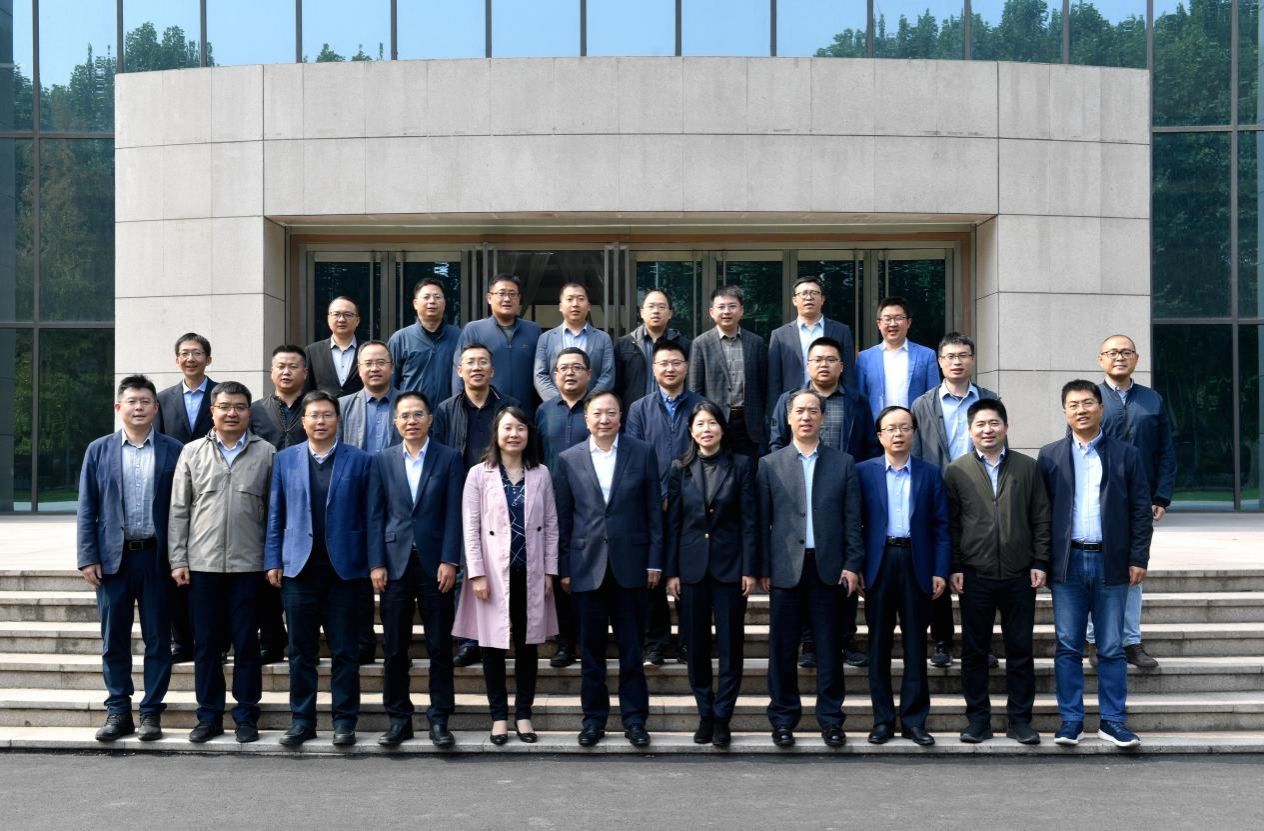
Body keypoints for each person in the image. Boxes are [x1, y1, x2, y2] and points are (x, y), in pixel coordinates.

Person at [1038, 380, 1152, 749]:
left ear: (1101, 408)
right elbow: (1041, 515)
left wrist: (1138, 557)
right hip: (1067, 564)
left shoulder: (1126, 455)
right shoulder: (1050, 456)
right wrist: (1041, 561)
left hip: (1111, 562)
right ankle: (1071, 721)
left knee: (1112, 646)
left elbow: (1141, 511)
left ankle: (1113, 721)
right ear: (1065, 412)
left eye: (1088, 403)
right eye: (1073, 405)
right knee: (1068, 646)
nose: (1081, 410)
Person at [553, 391, 663, 748]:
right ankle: (593, 721)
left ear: (620, 417)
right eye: (597, 413)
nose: (604, 419)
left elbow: (653, 512)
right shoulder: (568, 459)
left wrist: (654, 560)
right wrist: (565, 567)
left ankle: (635, 721)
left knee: (632, 651)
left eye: (611, 413)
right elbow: (563, 519)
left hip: (631, 566)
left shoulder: (641, 452)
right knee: (591, 652)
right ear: (586, 419)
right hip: (586, 568)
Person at [168, 381, 276, 744]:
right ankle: (209, 716)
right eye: (225, 406)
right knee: (206, 645)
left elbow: (274, 513)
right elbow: (179, 510)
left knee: (247, 644)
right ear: (212, 411)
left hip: (249, 566)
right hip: (203, 566)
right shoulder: (192, 452)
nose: (232, 413)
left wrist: (271, 560)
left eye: (240, 407)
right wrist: (178, 559)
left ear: (249, 412)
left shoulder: (267, 453)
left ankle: (246, 716)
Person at [76, 375, 182, 742]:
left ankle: (151, 712)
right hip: (112, 561)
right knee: (114, 640)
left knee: (158, 640)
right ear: (119, 407)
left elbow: (183, 508)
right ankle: (118, 711)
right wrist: (87, 556)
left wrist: (179, 558)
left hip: (156, 558)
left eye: (145, 401)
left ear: (156, 407)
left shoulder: (174, 450)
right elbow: (86, 507)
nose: (139, 407)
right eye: (132, 401)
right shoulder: (98, 450)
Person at [264, 391, 373, 748]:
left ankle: (344, 721)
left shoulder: (360, 460)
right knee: (300, 651)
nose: (320, 421)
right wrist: (273, 559)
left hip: (345, 570)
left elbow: (371, 516)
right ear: (304, 421)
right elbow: (276, 514)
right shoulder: (286, 460)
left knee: (345, 651)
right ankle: (302, 721)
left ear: (337, 420)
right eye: (314, 415)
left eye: (327, 414)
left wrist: (373, 564)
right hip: (299, 570)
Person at [758, 389, 864, 749]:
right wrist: (762, 567)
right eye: (799, 411)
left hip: (828, 568)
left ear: (823, 418)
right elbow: (760, 522)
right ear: (789, 418)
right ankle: (783, 720)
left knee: (830, 648)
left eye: (813, 411)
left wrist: (852, 564)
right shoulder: (770, 464)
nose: (806, 417)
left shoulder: (843, 463)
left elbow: (853, 520)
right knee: (783, 650)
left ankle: (831, 720)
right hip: (785, 569)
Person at [768, 336, 876, 671]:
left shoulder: (856, 401)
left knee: (837, 574)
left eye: (831, 359)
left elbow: (869, 445)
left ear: (842, 366)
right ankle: (809, 644)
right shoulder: (790, 400)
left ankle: (845, 640)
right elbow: (776, 441)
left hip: (842, 488)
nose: (824, 365)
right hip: (797, 490)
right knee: (802, 576)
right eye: (818, 359)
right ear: (808, 365)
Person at [946, 399, 1051, 745]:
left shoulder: (1027, 467)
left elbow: (1041, 517)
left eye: (994, 423)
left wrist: (1040, 561)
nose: (987, 430)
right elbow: (952, 524)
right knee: (974, 652)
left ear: (1006, 427)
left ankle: (1020, 721)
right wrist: (955, 566)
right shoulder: (956, 471)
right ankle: (978, 721)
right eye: (980, 424)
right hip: (975, 574)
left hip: (1020, 574)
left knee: (1020, 650)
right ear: (970, 430)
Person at [453, 407, 559, 745]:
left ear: (529, 434)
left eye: (520, 428)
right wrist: (476, 573)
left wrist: (550, 570)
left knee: (528, 647)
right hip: (492, 575)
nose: (514, 434)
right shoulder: (479, 474)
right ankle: (499, 717)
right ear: (497, 433)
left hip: (531, 571)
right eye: (508, 428)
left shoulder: (541, 473)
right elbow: (470, 527)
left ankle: (524, 715)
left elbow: (552, 525)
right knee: (492, 647)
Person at [367, 391, 466, 749]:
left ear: (430, 419)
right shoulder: (382, 460)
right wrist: (376, 562)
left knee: (439, 646)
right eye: (405, 415)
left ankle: (439, 718)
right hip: (394, 565)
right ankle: (399, 719)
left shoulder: (449, 458)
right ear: (396, 422)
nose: (411, 421)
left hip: (435, 564)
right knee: (395, 647)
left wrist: (450, 560)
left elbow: (455, 512)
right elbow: (375, 515)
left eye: (418, 414)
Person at [665, 401, 758, 748]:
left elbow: (750, 521)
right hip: (691, 570)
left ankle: (723, 716)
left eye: (712, 423)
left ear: (722, 428)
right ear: (691, 431)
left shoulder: (742, 465)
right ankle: (705, 712)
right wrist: (671, 572)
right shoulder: (679, 468)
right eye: (700, 424)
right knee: (696, 645)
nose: (706, 429)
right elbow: (673, 524)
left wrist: (750, 568)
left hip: (730, 568)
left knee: (731, 646)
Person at [857, 405, 951, 747]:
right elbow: (854, 524)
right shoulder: (863, 472)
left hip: (917, 562)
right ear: (879, 435)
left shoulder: (930, 473)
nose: (898, 434)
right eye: (891, 428)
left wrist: (940, 570)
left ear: (914, 432)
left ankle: (914, 721)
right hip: (879, 565)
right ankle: (882, 721)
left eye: (904, 428)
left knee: (915, 645)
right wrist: (858, 566)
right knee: (878, 646)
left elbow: (942, 527)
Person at [1085, 334, 1176, 670]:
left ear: (1136, 358)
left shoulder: (1152, 399)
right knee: (1096, 571)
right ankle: (1095, 640)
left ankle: (1131, 641)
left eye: (1126, 352)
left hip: (1139, 502)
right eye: (1112, 352)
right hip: (1097, 501)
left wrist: (1161, 496)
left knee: (1135, 571)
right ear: (1100, 359)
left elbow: (1166, 451)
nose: (1119, 357)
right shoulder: (1091, 399)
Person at [909, 333, 1000, 670]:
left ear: (973, 359)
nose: (956, 362)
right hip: (937, 496)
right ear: (939, 362)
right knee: (938, 567)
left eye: (963, 355)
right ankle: (943, 641)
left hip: (979, 497)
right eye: (949, 356)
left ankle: (980, 643)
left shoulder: (989, 399)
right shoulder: (923, 404)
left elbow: (999, 446)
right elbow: (916, 455)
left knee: (977, 572)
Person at [435, 342, 519, 669]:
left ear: (492, 370)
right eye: (470, 362)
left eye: (483, 362)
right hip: (461, 497)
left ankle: (504, 632)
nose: (476, 368)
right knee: (465, 569)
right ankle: (470, 640)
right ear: (460, 371)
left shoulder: (509, 407)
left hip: (503, 496)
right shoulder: (446, 410)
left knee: (503, 568)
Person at [627, 339, 707, 666]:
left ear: (686, 367)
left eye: (676, 363)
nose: (670, 369)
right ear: (653, 368)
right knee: (653, 575)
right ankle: (656, 643)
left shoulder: (701, 406)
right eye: (663, 363)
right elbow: (634, 458)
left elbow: (707, 455)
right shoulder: (639, 409)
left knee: (689, 574)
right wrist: (657, 496)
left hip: (693, 505)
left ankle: (689, 642)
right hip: (651, 505)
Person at [154, 332, 217, 664]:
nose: (190, 359)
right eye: (185, 353)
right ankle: (181, 639)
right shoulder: (162, 400)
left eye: (197, 353)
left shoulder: (222, 395)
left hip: (213, 490)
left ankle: (217, 640)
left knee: (211, 570)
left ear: (209, 359)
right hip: (173, 491)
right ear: (176, 359)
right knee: (175, 566)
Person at [338, 339, 400, 666]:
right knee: (358, 573)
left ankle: (395, 643)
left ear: (392, 367)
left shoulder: (407, 403)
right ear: (358, 369)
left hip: (399, 498)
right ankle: (363, 640)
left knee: (397, 572)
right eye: (368, 363)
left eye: (380, 362)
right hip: (354, 498)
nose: (374, 369)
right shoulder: (342, 406)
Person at [249, 345, 308, 664]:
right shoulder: (255, 410)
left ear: (305, 373)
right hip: (263, 500)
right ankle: (271, 639)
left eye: (293, 366)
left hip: (305, 502)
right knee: (267, 572)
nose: (286, 371)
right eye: (280, 366)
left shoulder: (316, 406)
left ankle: (306, 640)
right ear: (271, 372)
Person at [533, 346, 592, 668]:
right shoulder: (543, 411)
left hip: (591, 504)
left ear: (589, 374)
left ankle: (589, 639)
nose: (570, 372)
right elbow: (536, 457)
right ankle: (564, 642)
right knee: (558, 573)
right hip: (553, 503)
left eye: (576, 367)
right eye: (563, 368)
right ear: (554, 375)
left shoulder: (597, 410)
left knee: (588, 570)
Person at [687, 285, 769, 457]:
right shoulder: (701, 344)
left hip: (749, 424)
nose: (726, 311)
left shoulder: (756, 343)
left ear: (741, 310)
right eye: (721, 307)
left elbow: (763, 386)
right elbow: (695, 390)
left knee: (748, 468)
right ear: (711, 312)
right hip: (714, 423)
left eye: (732, 306)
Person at [454, 274, 542, 416]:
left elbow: (541, 373)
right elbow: (459, 372)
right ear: (489, 298)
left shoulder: (533, 330)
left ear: (519, 299)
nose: (507, 299)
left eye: (512, 294)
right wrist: (460, 409)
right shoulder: (474, 330)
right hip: (485, 413)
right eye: (501, 294)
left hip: (525, 413)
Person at [767, 275, 857, 399]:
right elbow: (774, 381)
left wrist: (849, 403)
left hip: (833, 400)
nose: (809, 297)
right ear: (794, 300)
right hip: (793, 404)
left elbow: (848, 374)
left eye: (814, 293)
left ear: (822, 299)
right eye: (803, 293)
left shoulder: (841, 331)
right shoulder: (780, 335)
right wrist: (776, 408)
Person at [855, 296, 940, 420]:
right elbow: (859, 399)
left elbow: (934, 399)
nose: (893, 324)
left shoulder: (927, 355)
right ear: (879, 324)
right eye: (887, 319)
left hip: (915, 427)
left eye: (898, 318)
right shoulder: (864, 358)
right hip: (877, 428)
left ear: (908, 322)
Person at [388, 278, 462, 411]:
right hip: (412, 416)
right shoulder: (400, 339)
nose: (432, 301)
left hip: (449, 414)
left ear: (444, 303)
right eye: (426, 297)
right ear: (415, 303)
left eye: (437, 297)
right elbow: (390, 383)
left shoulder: (459, 337)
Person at [533, 282, 615, 401]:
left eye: (581, 299)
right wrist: (559, 402)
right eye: (569, 299)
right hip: (556, 406)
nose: (575, 304)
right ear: (561, 307)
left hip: (592, 406)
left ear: (589, 306)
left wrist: (589, 402)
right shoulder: (546, 338)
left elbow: (608, 375)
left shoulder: (603, 338)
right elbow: (540, 376)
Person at [614, 288, 692, 412]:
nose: (656, 311)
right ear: (642, 312)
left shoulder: (683, 345)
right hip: (634, 415)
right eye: (651, 306)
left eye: (661, 307)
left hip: (674, 413)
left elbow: (690, 384)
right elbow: (616, 386)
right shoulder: (624, 344)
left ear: (670, 313)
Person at [303, 296, 363, 398]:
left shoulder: (368, 350)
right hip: (323, 408)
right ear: (328, 319)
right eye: (336, 314)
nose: (341, 319)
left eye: (347, 315)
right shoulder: (312, 351)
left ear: (357, 321)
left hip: (360, 407)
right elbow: (306, 390)